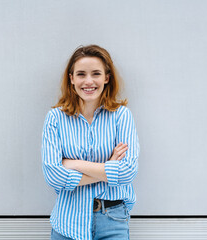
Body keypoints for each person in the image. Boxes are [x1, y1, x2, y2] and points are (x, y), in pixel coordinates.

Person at [41, 45, 140, 240]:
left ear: (106, 77)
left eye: (96, 73)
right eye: (81, 74)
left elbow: (128, 171)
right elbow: (53, 176)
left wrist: (73, 164)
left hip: (112, 221)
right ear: (71, 79)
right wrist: (109, 167)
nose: (88, 81)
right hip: (67, 221)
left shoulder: (121, 116)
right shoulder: (55, 118)